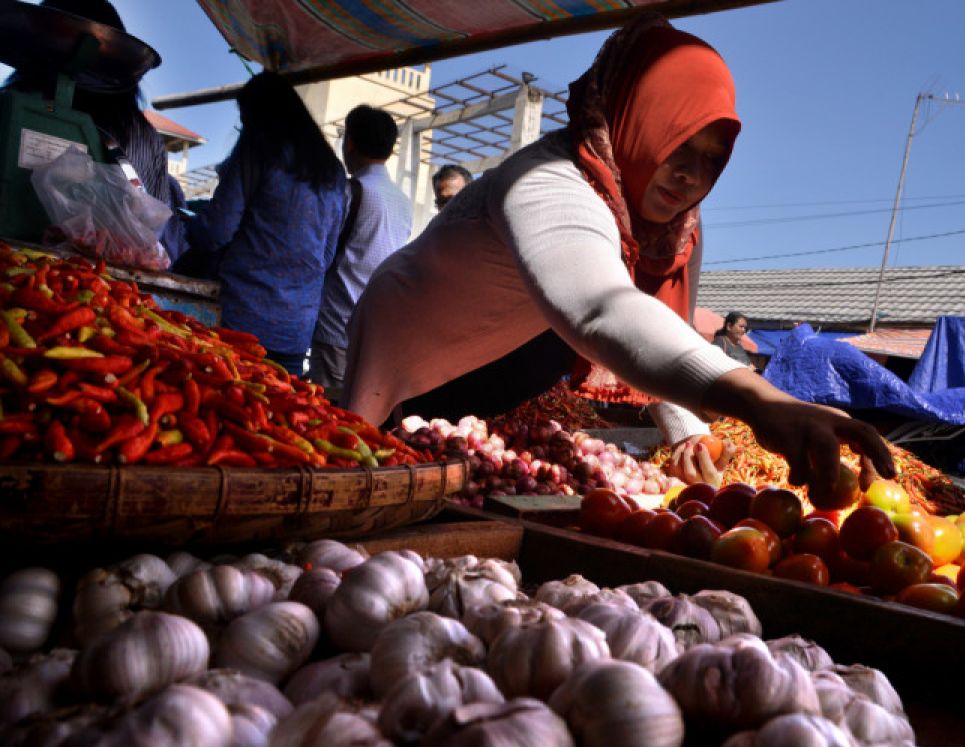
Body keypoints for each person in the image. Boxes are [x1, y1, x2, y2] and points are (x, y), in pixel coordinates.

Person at [342, 15, 895, 492]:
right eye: (676, 142)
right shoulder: (546, 180)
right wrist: (760, 399)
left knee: (465, 468)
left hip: (516, 353)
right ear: (634, 114)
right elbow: (604, 309)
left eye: (711, 158)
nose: (690, 175)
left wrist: (688, 434)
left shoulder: (676, 232)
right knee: (369, 469)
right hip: (415, 346)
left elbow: (661, 326)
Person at [185, 72, 347, 375]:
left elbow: (216, 231)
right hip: (296, 329)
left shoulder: (259, 148)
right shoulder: (333, 171)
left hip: (241, 318)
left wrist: (185, 227)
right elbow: (325, 255)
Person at [4, 0, 188, 262]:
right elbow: (156, 227)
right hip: (104, 288)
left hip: (90, 285)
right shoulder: (144, 135)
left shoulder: (12, 102)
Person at [309, 105, 413, 403]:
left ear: (350, 143)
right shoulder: (402, 201)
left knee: (326, 414)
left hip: (336, 324)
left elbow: (323, 253)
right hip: (376, 332)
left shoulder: (351, 191)